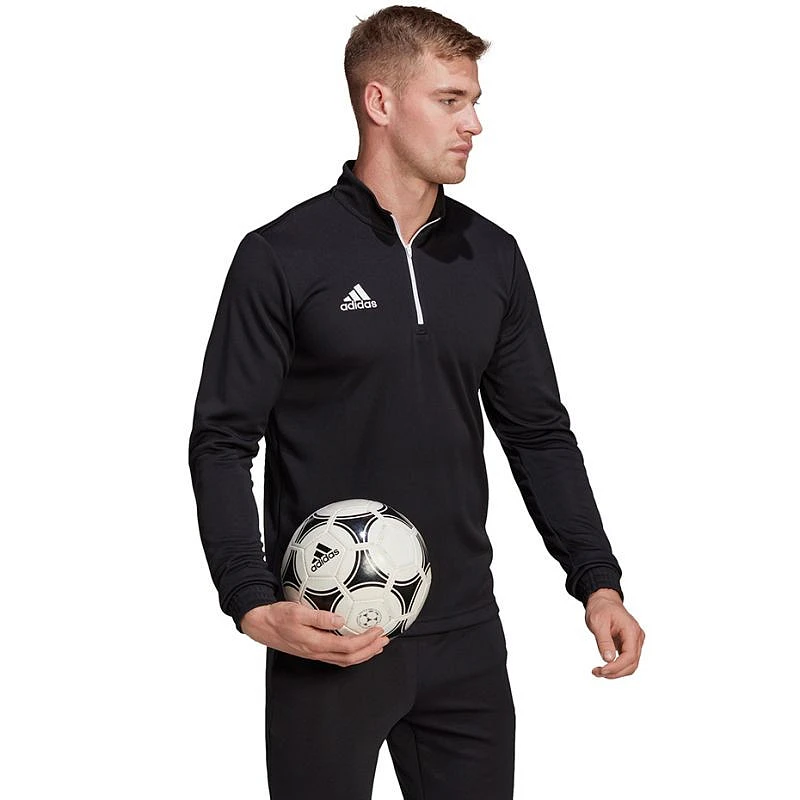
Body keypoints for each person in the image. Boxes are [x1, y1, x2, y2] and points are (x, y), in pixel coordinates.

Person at [188, 5, 645, 799]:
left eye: (474, 101)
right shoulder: (282, 256)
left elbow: (538, 434)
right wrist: (250, 598)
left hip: (466, 636)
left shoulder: (491, 257)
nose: (474, 123)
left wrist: (596, 578)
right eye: (450, 100)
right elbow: (222, 441)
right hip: (330, 633)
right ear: (380, 102)